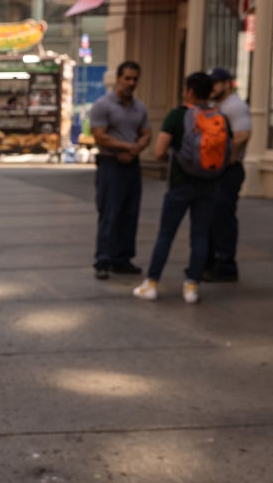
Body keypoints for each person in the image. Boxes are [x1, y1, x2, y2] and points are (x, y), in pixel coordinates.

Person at [133, 71, 230, 305]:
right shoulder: (220, 118)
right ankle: (192, 287)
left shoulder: (178, 115)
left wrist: (177, 160)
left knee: (166, 233)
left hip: (180, 184)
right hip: (209, 184)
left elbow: (158, 151)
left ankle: (152, 283)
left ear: (190, 91)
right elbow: (229, 151)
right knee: (200, 235)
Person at [90, 61, 152, 279]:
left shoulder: (139, 107)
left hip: (131, 166)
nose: (131, 83)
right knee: (110, 213)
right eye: (127, 78)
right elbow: (100, 135)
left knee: (129, 213)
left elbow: (146, 133)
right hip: (111, 165)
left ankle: (122, 259)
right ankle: (103, 260)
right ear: (118, 79)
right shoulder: (103, 105)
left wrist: (136, 150)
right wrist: (126, 147)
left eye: (135, 79)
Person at [205, 67, 251, 282]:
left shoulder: (235, 106)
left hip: (229, 170)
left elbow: (243, 135)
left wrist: (226, 155)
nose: (212, 87)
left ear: (226, 83)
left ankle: (226, 264)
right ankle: (211, 262)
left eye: (215, 82)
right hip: (217, 170)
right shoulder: (217, 106)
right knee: (211, 217)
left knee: (223, 218)